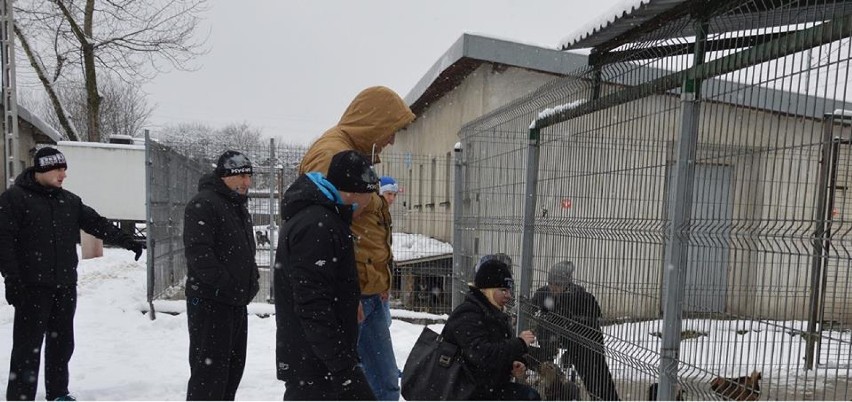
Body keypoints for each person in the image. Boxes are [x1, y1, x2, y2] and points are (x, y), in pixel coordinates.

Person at [0, 147, 144, 401]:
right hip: (32, 287)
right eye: (58, 169)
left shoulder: (69, 201)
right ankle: (20, 396)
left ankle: (58, 392)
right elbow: (4, 242)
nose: (63, 175)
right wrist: (11, 279)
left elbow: (96, 223)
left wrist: (127, 240)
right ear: (42, 169)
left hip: (65, 285)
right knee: (27, 347)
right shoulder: (15, 199)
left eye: (64, 169)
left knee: (62, 344)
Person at [299, 85, 415, 401]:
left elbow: (365, 226)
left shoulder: (351, 154)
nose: (391, 140)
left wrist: (380, 278)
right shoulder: (330, 155)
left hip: (368, 293)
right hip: (354, 298)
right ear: (373, 122)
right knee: (347, 385)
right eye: (390, 130)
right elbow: (325, 234)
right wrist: (347, 293)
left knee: (385, 382)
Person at [275, 150, 380, 400]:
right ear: (355, 191)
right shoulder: (317, 226)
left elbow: (322, 288)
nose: (369, 204)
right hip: (315, 364)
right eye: (370, 195)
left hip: (317, 360)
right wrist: (343, 369)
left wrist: (347, 298)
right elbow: (312, 306)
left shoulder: (324, 218)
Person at [183, 150, 260, 401]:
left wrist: (252, 280)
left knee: (232, 371)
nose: (246, 183)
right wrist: (227, 285)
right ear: (224, 176)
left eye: (249, 177)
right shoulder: (203, 204)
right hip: (211, 302)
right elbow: (199, 255)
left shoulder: (238, 206)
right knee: (209, 374)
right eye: (241, 177)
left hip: (235, 302)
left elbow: (245, 252)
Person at [442, 256, 541, 401]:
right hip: (461, 391)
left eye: (509, 290)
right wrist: (519, 343)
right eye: (503, 290)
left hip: (483, 387)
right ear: (487, 290)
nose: (508, 295)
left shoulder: (493, 313)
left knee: (529, 396)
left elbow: (496, 352)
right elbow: (482, 355)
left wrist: (515, 364)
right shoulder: (468, 314)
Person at [530, 260, 619, 401]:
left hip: (582, 342)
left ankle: (604, 398)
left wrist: (571, 352)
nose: (553, 288)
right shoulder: (543, 294)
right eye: (551, 283)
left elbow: (591, 325)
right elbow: (531, 313)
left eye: (558, 284)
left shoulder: (581, 297)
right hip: (552, 338)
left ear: (567, 284)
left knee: (596, 376)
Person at [378, 175, 399, 328]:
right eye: (388, 194)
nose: (391, 199)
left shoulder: (385, 215)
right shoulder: (376, 215)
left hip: (381, 279)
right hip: (375, 282)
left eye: (394, 194)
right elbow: (377, 252)